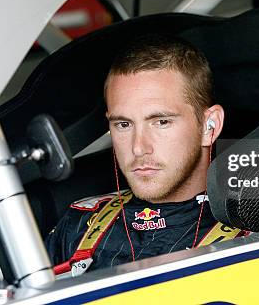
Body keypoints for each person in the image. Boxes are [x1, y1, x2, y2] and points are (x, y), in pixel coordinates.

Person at [46, 33, 246, 277]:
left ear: (209, 126)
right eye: (123, 124)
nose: (138, 148)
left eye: (161, 122)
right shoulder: (81, 226)